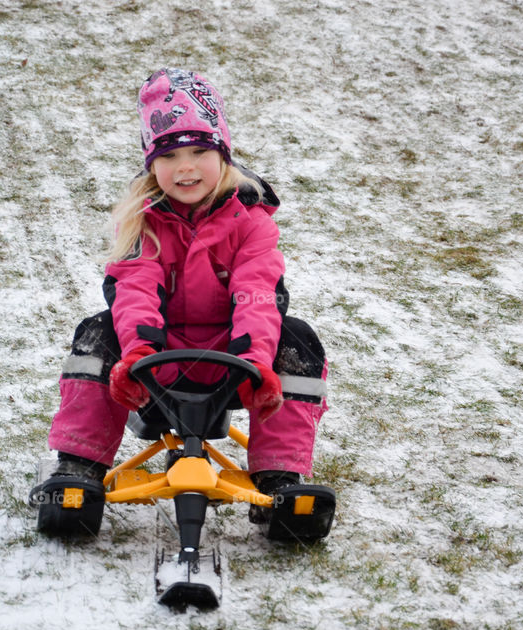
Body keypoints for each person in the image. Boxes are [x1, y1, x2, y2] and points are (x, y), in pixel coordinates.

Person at [45, 68, 328, 519]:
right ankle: (78, 465)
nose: (186, 167)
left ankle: (280, 475)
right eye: (170, 155)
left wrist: (256, 361)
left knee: (299, 340)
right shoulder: (142, 219)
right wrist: (136, 353)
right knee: (96, 334)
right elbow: (134, 287)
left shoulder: (252, 223)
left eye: (200, 151)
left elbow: (258, 292)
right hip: (155, 359)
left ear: (224, 155)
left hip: (233, 360)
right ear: (151, 163)